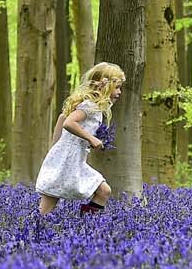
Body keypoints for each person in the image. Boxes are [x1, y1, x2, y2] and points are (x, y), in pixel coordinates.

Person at [35, 62, 125, 215]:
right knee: (46, 208)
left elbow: (63, 118)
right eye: (116, 87)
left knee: (103, 191)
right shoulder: (90, 106)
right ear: (104, 86)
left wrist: (54, 151)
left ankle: (86, 227)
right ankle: (32, 233)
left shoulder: (94, 107)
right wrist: (91, 138)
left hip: (70, 159)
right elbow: (69, 123)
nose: (119, 92)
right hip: (67, 160)